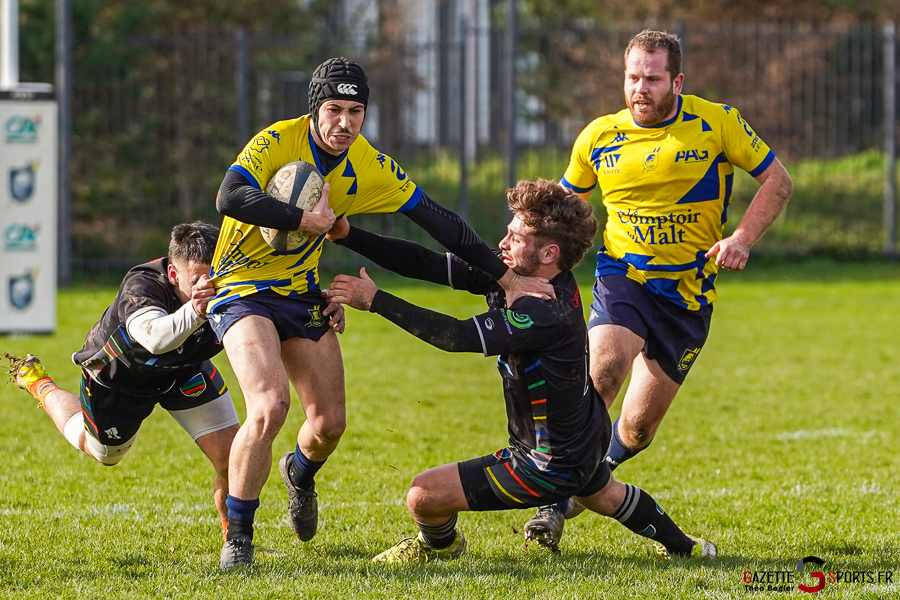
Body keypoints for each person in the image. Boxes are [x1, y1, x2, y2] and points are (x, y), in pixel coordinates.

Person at [208, 57, 551, 569]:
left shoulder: (368, 163)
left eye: (355, 111)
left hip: (301, 293)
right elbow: (229, 197)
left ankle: (299, 473)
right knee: (270, 404)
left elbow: (442, 223)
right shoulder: (276, 140)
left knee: (329, 425)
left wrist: (508, 278)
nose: (344, 123)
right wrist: (307, 218)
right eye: (333, 110)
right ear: (314, 110)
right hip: (241, 288)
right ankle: (239, 540)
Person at [326, 178, 716, 562]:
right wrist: (349, 234)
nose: (502, 243)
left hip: (546, 462)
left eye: (515, 237)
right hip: (585, 434)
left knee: (423, 496)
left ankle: (438, 546)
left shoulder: (543, 309)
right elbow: (431, 264)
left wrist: (376, 300)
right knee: (603, 493)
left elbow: (456, 336)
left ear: (548, 253)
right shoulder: (522, 278)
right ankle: (687, 547)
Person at [520, 29, 794, 548]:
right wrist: (521, 259)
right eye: (632, 77)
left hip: (688, 298)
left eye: (652, 78)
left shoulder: (717, 123)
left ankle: (585, 478)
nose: (639, 88)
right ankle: (553, 502)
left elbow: (778, 181)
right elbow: (560, 211)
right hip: (625, 277)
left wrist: (741, 237)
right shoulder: (598, 136)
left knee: (638, 430)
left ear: (677, 81)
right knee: (603, 373)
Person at [5, 222, 241, 536]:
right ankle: (38, 383)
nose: (211, 285)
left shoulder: (233, 281)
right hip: (118, 379)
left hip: (184, 369)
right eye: (199, 279)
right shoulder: (142, 285)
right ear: (173, 275)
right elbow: (155, 339)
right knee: (101, 453)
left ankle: (235, 538)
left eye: (217, 276)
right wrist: (198, 310)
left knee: (233, 453)